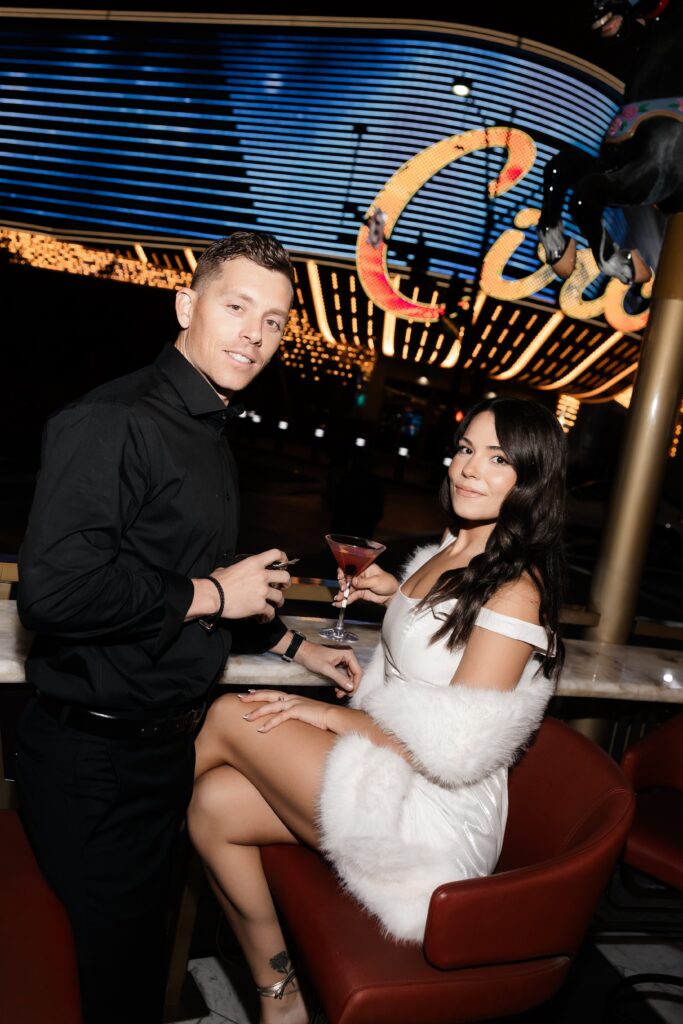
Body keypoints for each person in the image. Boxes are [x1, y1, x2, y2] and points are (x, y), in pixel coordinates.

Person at [14, 230, 361, 1024]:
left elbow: (187, 579)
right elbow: (55, 592)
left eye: (273, 321)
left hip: (162, 751)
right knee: (107, 985)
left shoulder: (206, 425)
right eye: (236, 307)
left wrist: (293, 644)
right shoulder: (113, 420)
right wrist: (209, 592)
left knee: (136, 963)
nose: (254, 334)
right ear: (186, 305)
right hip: (94, 760)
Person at [189, 396, 567, 1024]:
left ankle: (123, 834)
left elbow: (453, 743)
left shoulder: (515, 591)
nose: (470, 468)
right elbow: (435, 642)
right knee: (212, 805)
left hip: (434, 820)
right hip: (390, 771)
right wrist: (398, 596)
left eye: (498, 459)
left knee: (231, 715)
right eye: (466, 449)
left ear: (531, 480)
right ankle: (281, 998)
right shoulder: (450, 551)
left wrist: (329, 715)